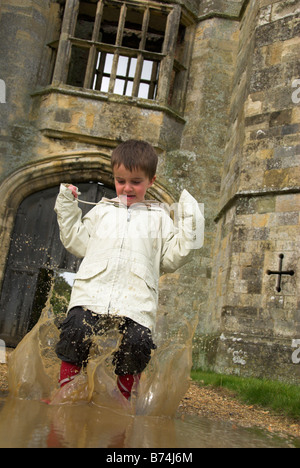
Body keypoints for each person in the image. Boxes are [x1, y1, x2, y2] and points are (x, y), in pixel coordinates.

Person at [54, 140, 204, 401]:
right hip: (92, 291)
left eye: (136, 181)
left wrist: (193, 221)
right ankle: (66, 393)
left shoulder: (159, 218)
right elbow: (76, 241)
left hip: (136, 299)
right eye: (120, 180)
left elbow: (172, 258)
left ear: (151, 181)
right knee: (75, 330)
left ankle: (122, 400)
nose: (126, 187)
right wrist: (67, 205)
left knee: (137, 342)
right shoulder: (101, 211)